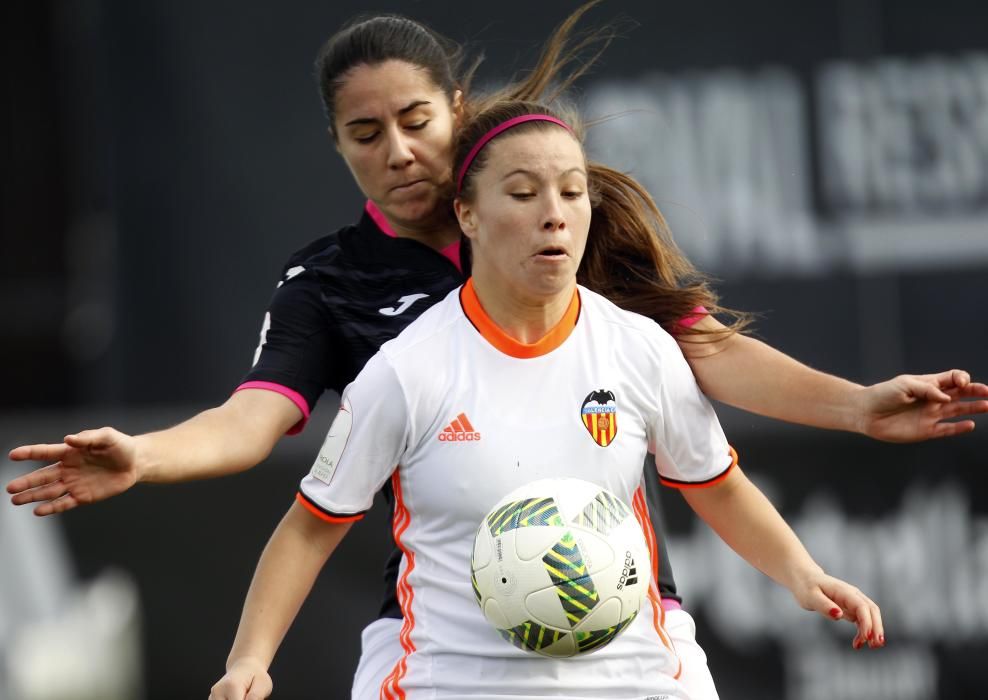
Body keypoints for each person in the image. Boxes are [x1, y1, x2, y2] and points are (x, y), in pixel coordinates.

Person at [6, 4, 987, 698]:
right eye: (364, 132)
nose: (395, 150)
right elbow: (250, 421)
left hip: (615, 615)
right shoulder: (336, 288)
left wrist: (857, 405)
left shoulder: (562, 230)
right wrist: (146, 455)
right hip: (449, 626)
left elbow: (707, 356)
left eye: (415, 120)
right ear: (336, 146)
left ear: (457, 105)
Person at [209, 98, 886, 700]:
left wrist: (803, 575)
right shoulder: (405, 371)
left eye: (571, 191)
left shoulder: (639, 348)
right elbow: (310, 524)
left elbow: (717, 484)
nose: (555, 215)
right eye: (525, 194)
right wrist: (250, 660)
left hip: (631, 675)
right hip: (453, 678)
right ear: (468, 216)